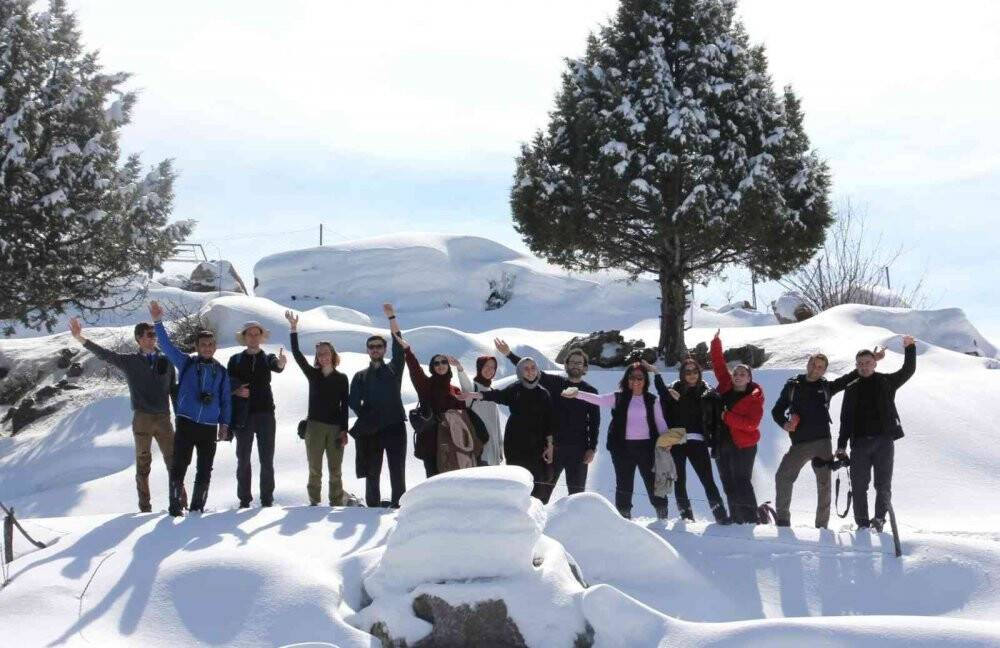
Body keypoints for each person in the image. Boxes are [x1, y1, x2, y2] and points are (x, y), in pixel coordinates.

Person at [70, 317, 184, 513]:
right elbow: (105, 355)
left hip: (164, 418)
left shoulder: (166, 360)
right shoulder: (130, 361)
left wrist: (180, 416)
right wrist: (81, 338)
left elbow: (173, 391)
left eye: (154, 335)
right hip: (142, 419)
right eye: (149, 335)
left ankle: (181, 503)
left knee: (174, 462)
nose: (153, 338)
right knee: (143, 464)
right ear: (139, 338)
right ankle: (145, 507)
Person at [770, 352, 871, 528]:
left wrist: (868, 363)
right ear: (808, 363)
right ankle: (783, 520)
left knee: (824, 484)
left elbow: (845, 380)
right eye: (813, 364)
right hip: (799, 443)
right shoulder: (793, 385)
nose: (815, 369)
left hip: (823, 442)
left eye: (820, 367)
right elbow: (776, 410)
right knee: (783, 477)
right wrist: (785, 424)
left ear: (824, 370)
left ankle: (821, 526)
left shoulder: (826, 387)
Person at [149, 301, 231, 517]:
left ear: (215, 347)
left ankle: (197, 507)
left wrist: (224, 424)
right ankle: (175, 505)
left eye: (210, 344)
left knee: (205, 468)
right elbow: (166, 346)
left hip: (209, 426)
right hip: (186, 421)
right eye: (203, 344)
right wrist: (157, 322)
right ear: (196, 347)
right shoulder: (186, 363)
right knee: (180, 464)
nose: (207, 348)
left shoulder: (221, 372)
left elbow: (225, 400)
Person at [495, 339, 600, 503]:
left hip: (579, 450)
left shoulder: (591, 392)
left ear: (585, 367)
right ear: (566, 365)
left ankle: (575, 527)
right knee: (543, 493)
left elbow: (594, 423)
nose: (575, 365)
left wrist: (591, 448)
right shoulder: (556, 383)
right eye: (572, 362)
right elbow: (530, 370)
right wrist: (509, 354)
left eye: (579, 363)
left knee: (577, 495)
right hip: (553, 449)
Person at [563, 362, 670, 520]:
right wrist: (577, 393)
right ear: (627, 380)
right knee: (624, 483)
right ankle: (624, 516)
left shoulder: (652, 400)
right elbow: (598, 399)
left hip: (647, 448)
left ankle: (662, 513)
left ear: (645, 380)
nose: (635, 381)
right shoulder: (618, 397)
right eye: (632, 377)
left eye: (639, 377)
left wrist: (667, 440)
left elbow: (660, 422)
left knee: (653, 482)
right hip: (622, 449)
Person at [836, 336, 917, 531]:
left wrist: (910, 348)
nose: (864, 366)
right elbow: (845, 419)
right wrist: (841, 445)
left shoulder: (886, 381)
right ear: (857, 366)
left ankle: (879, 519)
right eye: (860, 363)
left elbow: (908, 370)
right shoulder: (852, 387)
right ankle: (862, 523)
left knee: (883, 484)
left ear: (875, 364)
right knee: (859, 485)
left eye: (868, 362)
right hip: (859, 444)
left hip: (884, 441)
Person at [647, 358, 728, 524]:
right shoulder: (674, 389)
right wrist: (656, 374)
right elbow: (662, 396)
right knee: (680, 480)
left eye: (694, 371)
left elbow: (717, 420)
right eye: (687, 372)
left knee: (707, 479)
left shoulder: (708, 392)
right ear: (682, 374)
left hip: (698, 441)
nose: (691, 375)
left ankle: (720, 515)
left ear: (699, 373)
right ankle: (686, 515)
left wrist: (715, 444)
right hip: (677, 440)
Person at [461, 357, 555, 499]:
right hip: (515, 442)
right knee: (516, 478)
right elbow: (497, 395)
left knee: (537, 482)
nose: (530, 371)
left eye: (533, 368)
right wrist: (477, 394)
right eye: (526, 368)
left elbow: (549, 422)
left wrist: (550, 445)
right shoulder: (515, 389)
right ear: (520, 372)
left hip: (537, 444)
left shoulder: (544, 393)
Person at [285, 310, 349, 506]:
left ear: (332, 355)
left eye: (326, 353)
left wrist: (344, 429)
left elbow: (345, 405)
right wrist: (293, 329)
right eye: (320, 354)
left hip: (335, 428)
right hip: (314, 427)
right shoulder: (313, 374)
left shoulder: (341, 378)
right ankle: (314, 501)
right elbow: (296, 354)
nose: (323, 356)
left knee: (335, 469)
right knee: (315, 468)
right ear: (317, 357)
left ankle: (336, 501)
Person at [349, 303, 407, 508]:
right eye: (371, 347)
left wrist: (392, 318)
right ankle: (372, 507)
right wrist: (368, 417)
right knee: (372, 471)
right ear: (367, 350)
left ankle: (399, 505)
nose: (375, 349)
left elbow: (399, 346)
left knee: (397, 470)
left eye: (379, 346)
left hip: (396, 426)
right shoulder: (360, 376)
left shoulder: (394, 368)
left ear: (384, 349)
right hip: (372, 430)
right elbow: (353, 401)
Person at [398, 335, 483, 475]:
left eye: (443, 362)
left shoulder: (455, 390)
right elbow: (415, 370)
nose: (440, 365)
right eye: (436, 363)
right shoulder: (426, 385)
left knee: (456, 479)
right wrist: (407, 351)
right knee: (434, 480)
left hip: (455, 442)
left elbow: (463, 415)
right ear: (432, 367)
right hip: (432, 443)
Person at [707, 330, 764, 525]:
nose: (738, 376)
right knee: (728, 482)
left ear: (749, 378)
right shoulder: (725, 386)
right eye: (736, 373)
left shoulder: (755, 398)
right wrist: (715, 342)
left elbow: (751, 424)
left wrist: (727, 417)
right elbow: (718, 364)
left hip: (744, 445)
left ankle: (751, 518)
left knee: (742, 481)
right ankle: (736, 517)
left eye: (743, 374)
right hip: (722, 442)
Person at [227, 321, 286, 508]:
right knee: (243, 458)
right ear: (244, 337)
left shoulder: (267, 358)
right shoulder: (235, 359)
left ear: (261, 337)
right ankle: (244, 500)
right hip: (243, 415)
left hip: (266, 414)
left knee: (267, 459)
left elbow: (276, 365)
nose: (253, 337)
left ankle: (267, 500)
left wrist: (280, 363)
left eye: (256, 334)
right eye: (249, 334)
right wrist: (236, 390)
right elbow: (227, 382)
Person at [456, 355, 504, 465]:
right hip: (480, 449)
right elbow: (466, 386)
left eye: (493, 367)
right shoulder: (473, 388)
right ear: (479, 367)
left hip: (494, 451)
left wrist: (500, 448)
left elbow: (496, 423)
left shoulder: (491, 392)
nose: (490, 370)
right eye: (486, 366)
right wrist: (460, 368)